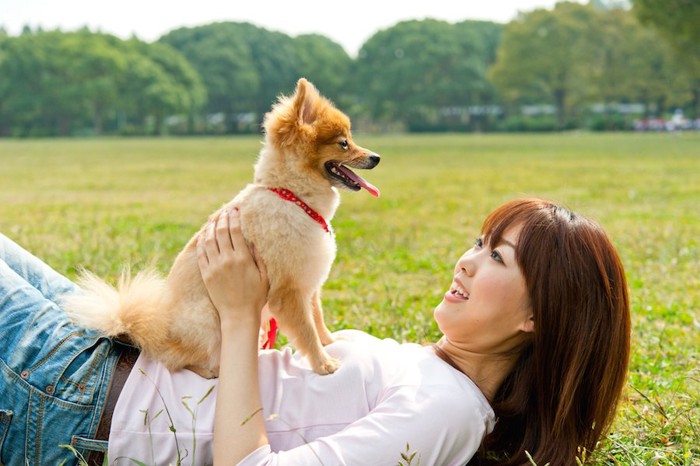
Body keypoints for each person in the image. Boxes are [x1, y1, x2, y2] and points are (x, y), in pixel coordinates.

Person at [0, 198, 631, 465]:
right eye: (478, 242)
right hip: (113, 362)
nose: (466, 259)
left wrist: (243, 315)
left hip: (83, 405)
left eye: (498, 257)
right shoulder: (435, 372)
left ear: (538, 316)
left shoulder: (450, 410)